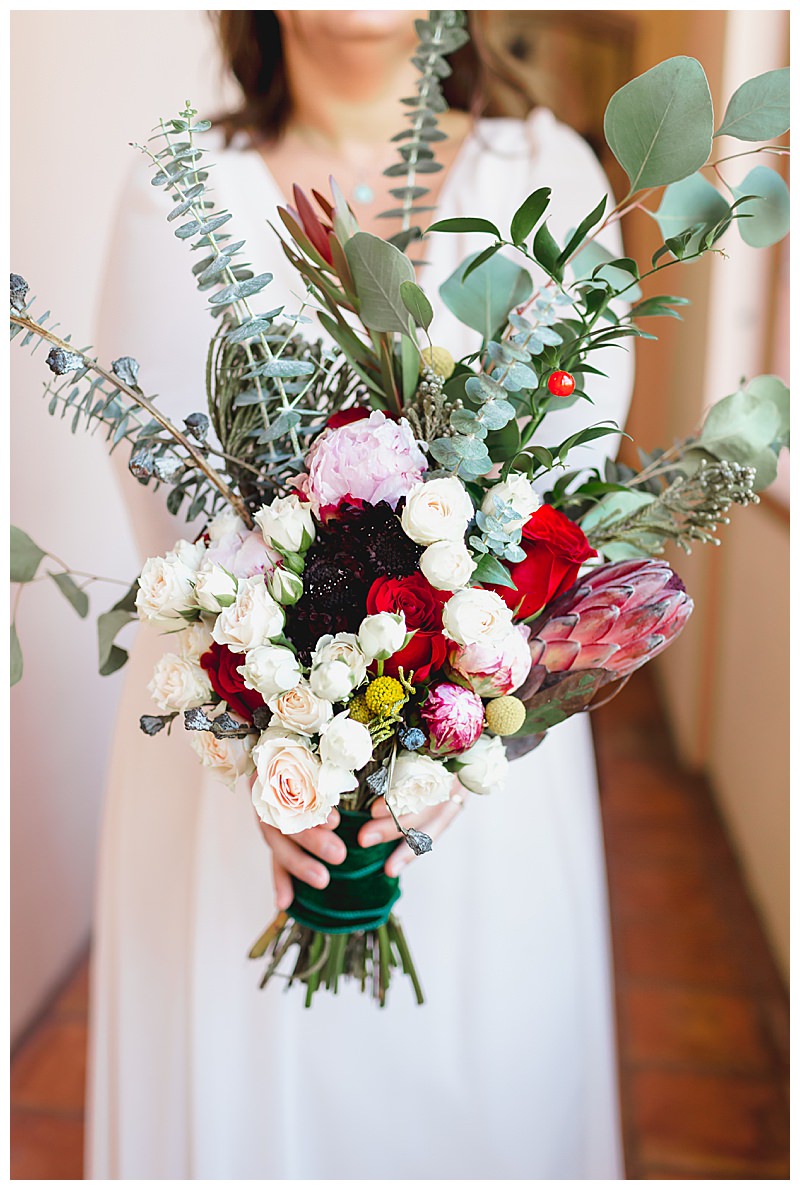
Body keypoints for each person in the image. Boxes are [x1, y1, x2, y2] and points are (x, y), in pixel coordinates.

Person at [86, 10, 634, 1179]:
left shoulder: (549, 173)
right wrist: (270, 745)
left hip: (486, 773)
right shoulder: (174, 188)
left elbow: (568, 516)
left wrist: (448, 732)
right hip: (228, 788)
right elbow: (171, 542)